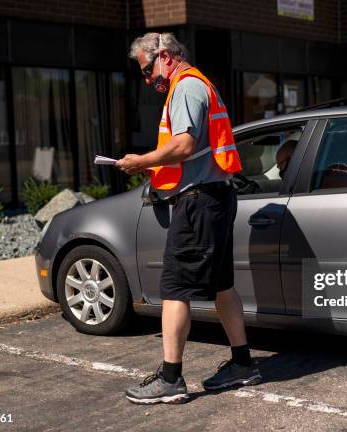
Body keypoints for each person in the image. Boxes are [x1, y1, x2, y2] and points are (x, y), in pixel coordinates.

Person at [117, 32, 261, 405]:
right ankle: (243, 364)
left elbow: (182, 145)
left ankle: (170, 378)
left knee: (175, 288)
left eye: (148, 70)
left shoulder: (185, 87)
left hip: (199, 202)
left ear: (165, 56)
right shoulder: (199, 85)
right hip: (215, 198)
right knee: (222, 285)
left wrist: (140, 161)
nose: (148, 80)